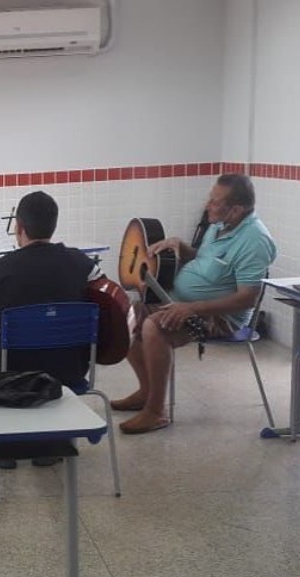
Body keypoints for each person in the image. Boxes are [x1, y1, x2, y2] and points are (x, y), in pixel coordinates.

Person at [112, 173, 277, 434]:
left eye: (215, 201)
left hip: (222, 316)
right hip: (182, 302)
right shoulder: (220, 223)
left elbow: (248, 297)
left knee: (154, 327)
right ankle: (146, 391)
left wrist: (191, 308)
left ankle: (156, 412)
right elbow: (203, 259)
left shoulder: (255, 241)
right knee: (126, 315)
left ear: (237, 209)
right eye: (210, 198)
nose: (207, 205)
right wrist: (181, 246)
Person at [0, 191, 103, 469]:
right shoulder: (85, 265)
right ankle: (47, 445)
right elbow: (107, 308)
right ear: (53, 225)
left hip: (15, 376)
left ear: (19, 227)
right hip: (70, 371)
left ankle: (3, 448)